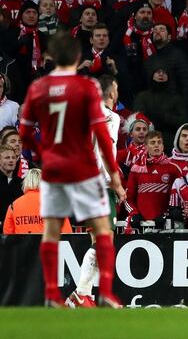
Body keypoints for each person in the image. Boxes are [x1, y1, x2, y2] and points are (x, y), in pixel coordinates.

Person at [19, 32, 124, 307]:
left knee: (54, 232)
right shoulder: (101, 107)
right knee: (103, 237)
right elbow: (102, 143)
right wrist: (114, 178)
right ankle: (88, 294)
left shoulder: (42, 89)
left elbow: (26, 132)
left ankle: (65, 294)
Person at [66, 75, 121, 308]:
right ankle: (81, 293)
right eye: (116, 88)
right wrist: (115, 182)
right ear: (111, 92)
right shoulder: (109, 117)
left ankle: (82, 295)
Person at [3, 169, 72, 234]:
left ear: (25, 182)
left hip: (22, 243)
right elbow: (66, 233)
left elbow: (8, 234)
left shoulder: (13, 205)